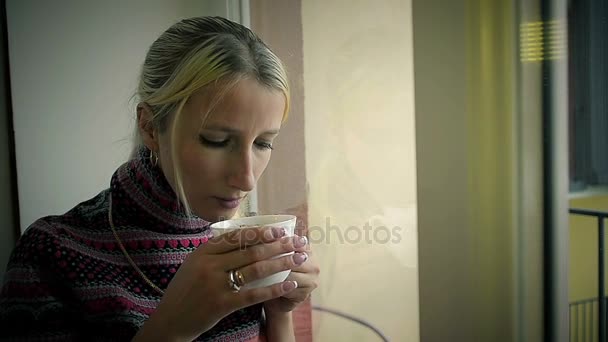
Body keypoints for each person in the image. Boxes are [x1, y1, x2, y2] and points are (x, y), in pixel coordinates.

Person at [0, 16, 319, 341]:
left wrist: (279, 312)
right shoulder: (51, 253)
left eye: (263, 143)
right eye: (216, 140)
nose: (247, 179)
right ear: (151, 127)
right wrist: (172, 328)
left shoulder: (245, 246)